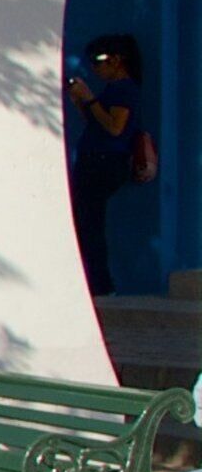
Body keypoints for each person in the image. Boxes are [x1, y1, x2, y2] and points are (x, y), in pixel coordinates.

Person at [67, 35, 149, 297]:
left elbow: (115, 127)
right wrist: (81, 102)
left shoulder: (124, 89)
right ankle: (97, 283)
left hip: (104, 162)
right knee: (87, 222)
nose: (95, 66)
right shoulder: (113, 89)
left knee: (90, 224)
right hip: (96, 159)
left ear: (117, 60)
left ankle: (101, 285)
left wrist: (90, 98)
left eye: (100, 60)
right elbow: (98, 123)